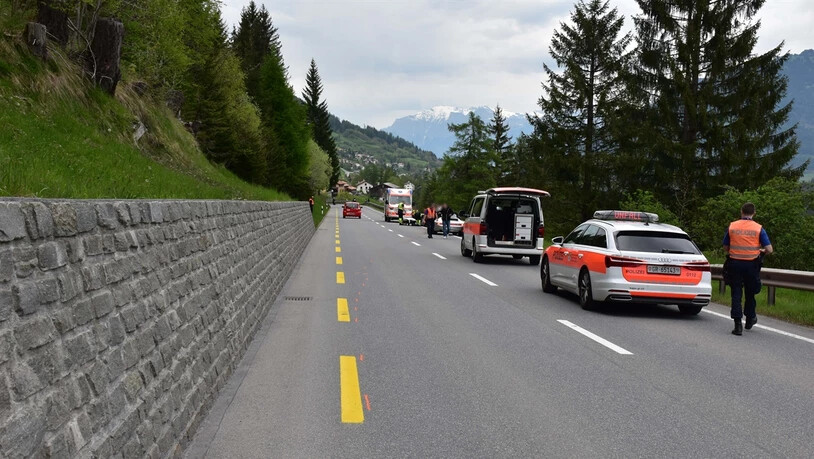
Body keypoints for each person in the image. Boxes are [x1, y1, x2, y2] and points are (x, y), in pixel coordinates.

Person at [723, 202, 773, 336]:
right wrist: (760, 251)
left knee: (736, 293)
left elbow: (726, 247)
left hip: (735, 264)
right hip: (751, 265)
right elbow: (769, 249)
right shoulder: (758, 228)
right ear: (754, 213)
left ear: (741, 212)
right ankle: (750, 318)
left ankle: (737, 325)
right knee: (750, 293)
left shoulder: (732, 226)